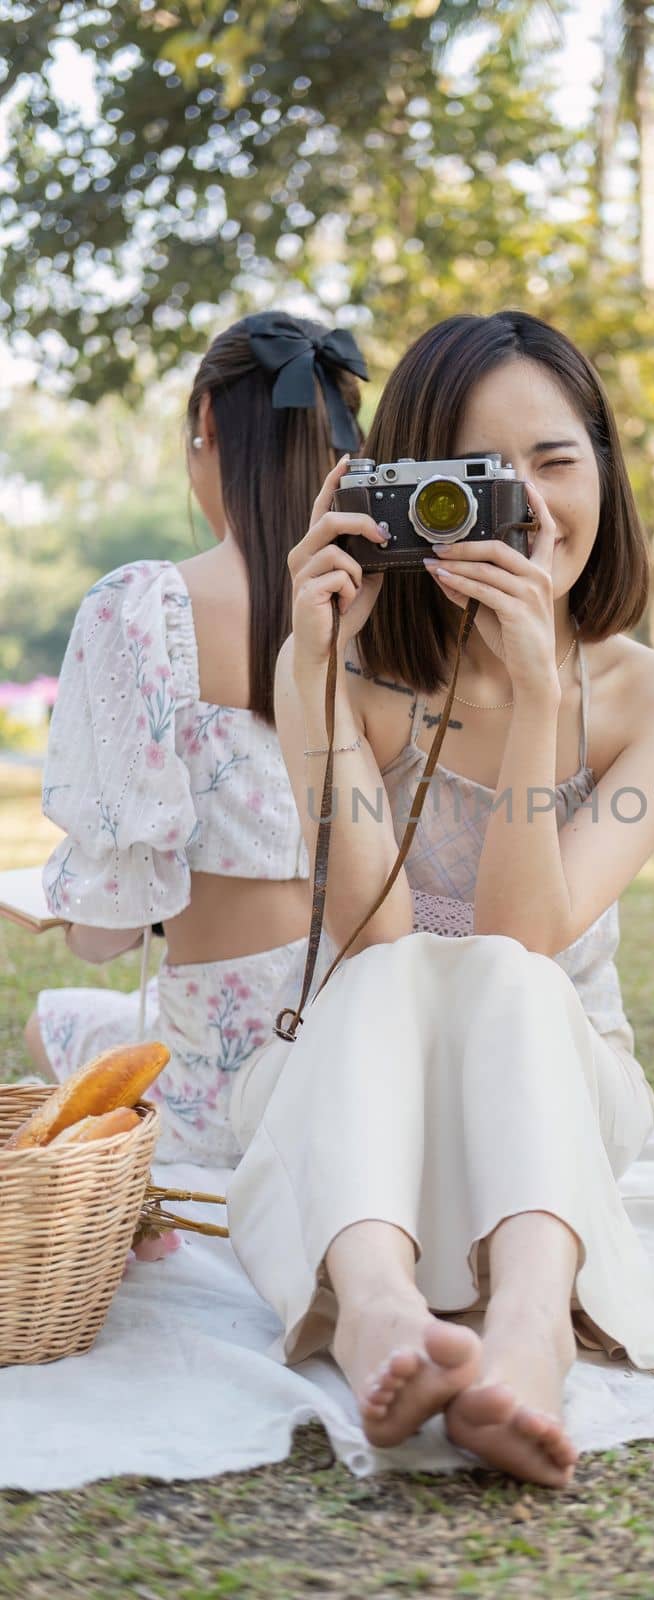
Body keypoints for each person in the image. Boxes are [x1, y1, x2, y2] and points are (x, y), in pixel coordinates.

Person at [224, 309, 654, 1489]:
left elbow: (522, 940)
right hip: (366, 1085)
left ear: (603, 466)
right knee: (397, 969)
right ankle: (380, 1314)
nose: (526, 509)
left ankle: (531, 1326)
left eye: (555, 460)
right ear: (397, 492)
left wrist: (535, 690)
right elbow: (373, 933)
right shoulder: (340, 665)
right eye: (473, 477)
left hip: (548, 1084)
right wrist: (310, 674)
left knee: (503, 971)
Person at [22, 310, 369, 1167]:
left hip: (226, 1067)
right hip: (373, 1040)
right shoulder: (383, 609)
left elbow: (109, 931)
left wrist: (62, 913)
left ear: (207, 426)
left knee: (49, 1020)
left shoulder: (145, 607)